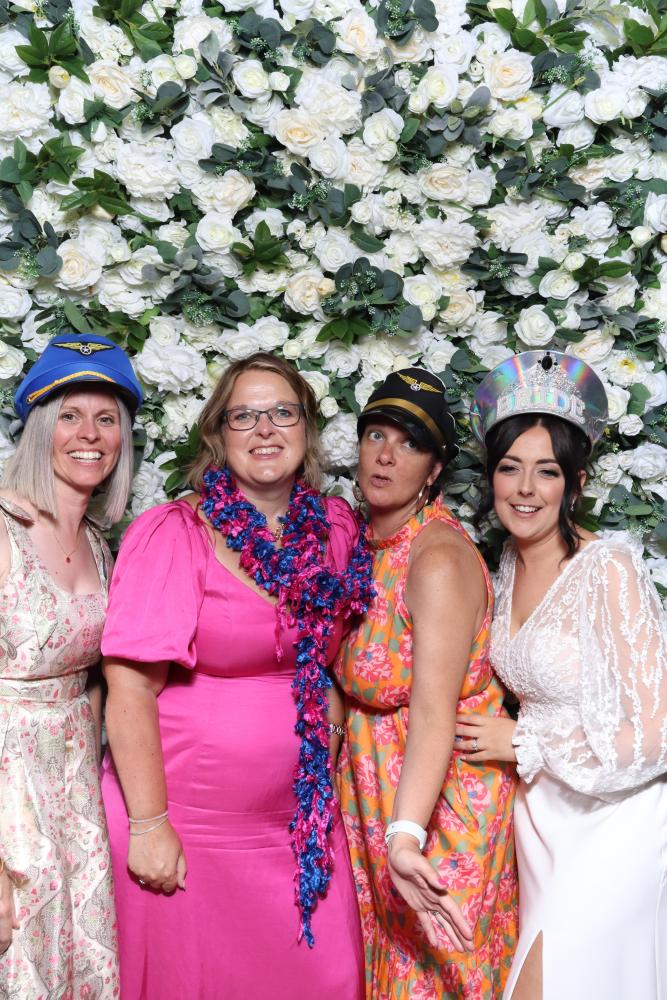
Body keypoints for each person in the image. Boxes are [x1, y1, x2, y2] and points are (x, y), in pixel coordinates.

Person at [100, 351, 374, 999]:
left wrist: (331, 724)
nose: (265, 429)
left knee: (326, 978)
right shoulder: (175, 534)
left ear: (306, 428)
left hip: (300, 823)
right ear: (217, 435)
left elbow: (330, 660)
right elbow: (130, 685)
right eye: (244, 416)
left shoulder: (334, 529)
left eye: (282, 412)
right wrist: (150, 825)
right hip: (188, 826)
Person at [459, 349, 667, 999]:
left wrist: (523, 741)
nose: (525, 488)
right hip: (540, 819)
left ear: (574, 484)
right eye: (510, 468)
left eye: (545, 471)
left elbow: (657, 734)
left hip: (616, 821)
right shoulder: (503, 567)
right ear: (491, 477)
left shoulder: (608, 569)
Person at [334, 368, 519, 999]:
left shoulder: (436, 558)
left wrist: (405, 834)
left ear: (435, 470)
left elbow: (434, 712)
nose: (386, 456)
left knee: (439, 978)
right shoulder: (360, 541)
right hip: (376, 797)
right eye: (376, 435)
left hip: (439, 812)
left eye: (410, 444)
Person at [0, 333, 143, 999]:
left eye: (106, 418)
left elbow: (95, 685)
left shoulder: (97, 543)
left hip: (74, 795)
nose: (89, 434)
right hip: (10, 797)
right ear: (39, 430)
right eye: (70, 416)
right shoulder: (2, 528)